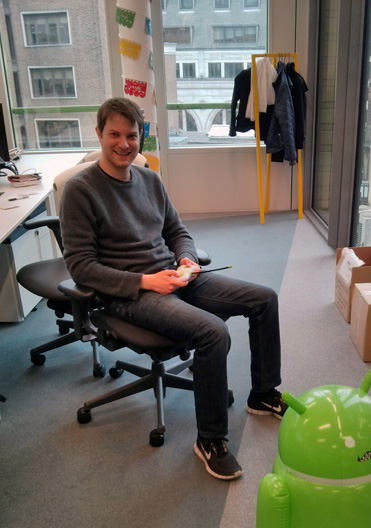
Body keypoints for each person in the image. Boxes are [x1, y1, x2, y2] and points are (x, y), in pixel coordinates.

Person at [60, 97, 286, 481]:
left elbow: (177, 231)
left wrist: (186, 260)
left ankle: (262, 394)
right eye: (114, 134)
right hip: (131, 294)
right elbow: (81, 267)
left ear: (140, 137)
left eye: (132, 135)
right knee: (213, 332)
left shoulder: (150, 180)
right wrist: (146, 281)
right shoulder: (81, 191)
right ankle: (210, 440)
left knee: (263, 299)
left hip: (175, 277)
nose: (124, 144)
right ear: (99, 134)